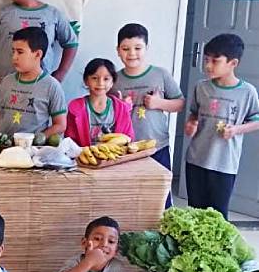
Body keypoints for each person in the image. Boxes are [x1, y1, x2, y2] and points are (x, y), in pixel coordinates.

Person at [184, 33, 259, 219]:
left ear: (233, 63)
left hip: (224, 164)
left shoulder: (247, 92)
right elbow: (194, 112)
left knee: (217, 216)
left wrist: (236, 130)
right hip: (196, 159)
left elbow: (256, 120)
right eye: (206, 59)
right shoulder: (201, 87)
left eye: (215, 61)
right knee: (194, 212)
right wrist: (191, 123)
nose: (208, 65)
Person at [115, 23, 184, 207]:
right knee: (130, 196)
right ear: (118, 51)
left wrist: (158, 103)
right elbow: (107, 113)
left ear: (147, 48)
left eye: (138, 48)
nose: (132, 54)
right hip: (126, 149)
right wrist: (121, 109)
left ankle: (163, 233)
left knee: (160, 197)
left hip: (157, 146)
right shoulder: (114, 79)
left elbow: (180, 103)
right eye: (125, 48)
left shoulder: (160, 74)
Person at [0, 26, 67, 137]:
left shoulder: (52, 86)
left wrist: (36, 139)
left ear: (37, 54)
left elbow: (60, 125)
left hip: (32, 151)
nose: (14, 57)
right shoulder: (6, 81)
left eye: (20, 52)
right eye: (13, 51)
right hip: (2, 147)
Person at [65, 58, 134, 146]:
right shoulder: (75, 108)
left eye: (106, 79)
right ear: (86, 81)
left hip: (116, 158)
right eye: (94, 78)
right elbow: (70, 142)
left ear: (112, 82)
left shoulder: (121, 108)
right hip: (85, 158)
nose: (100, 83)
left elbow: (128, 138)